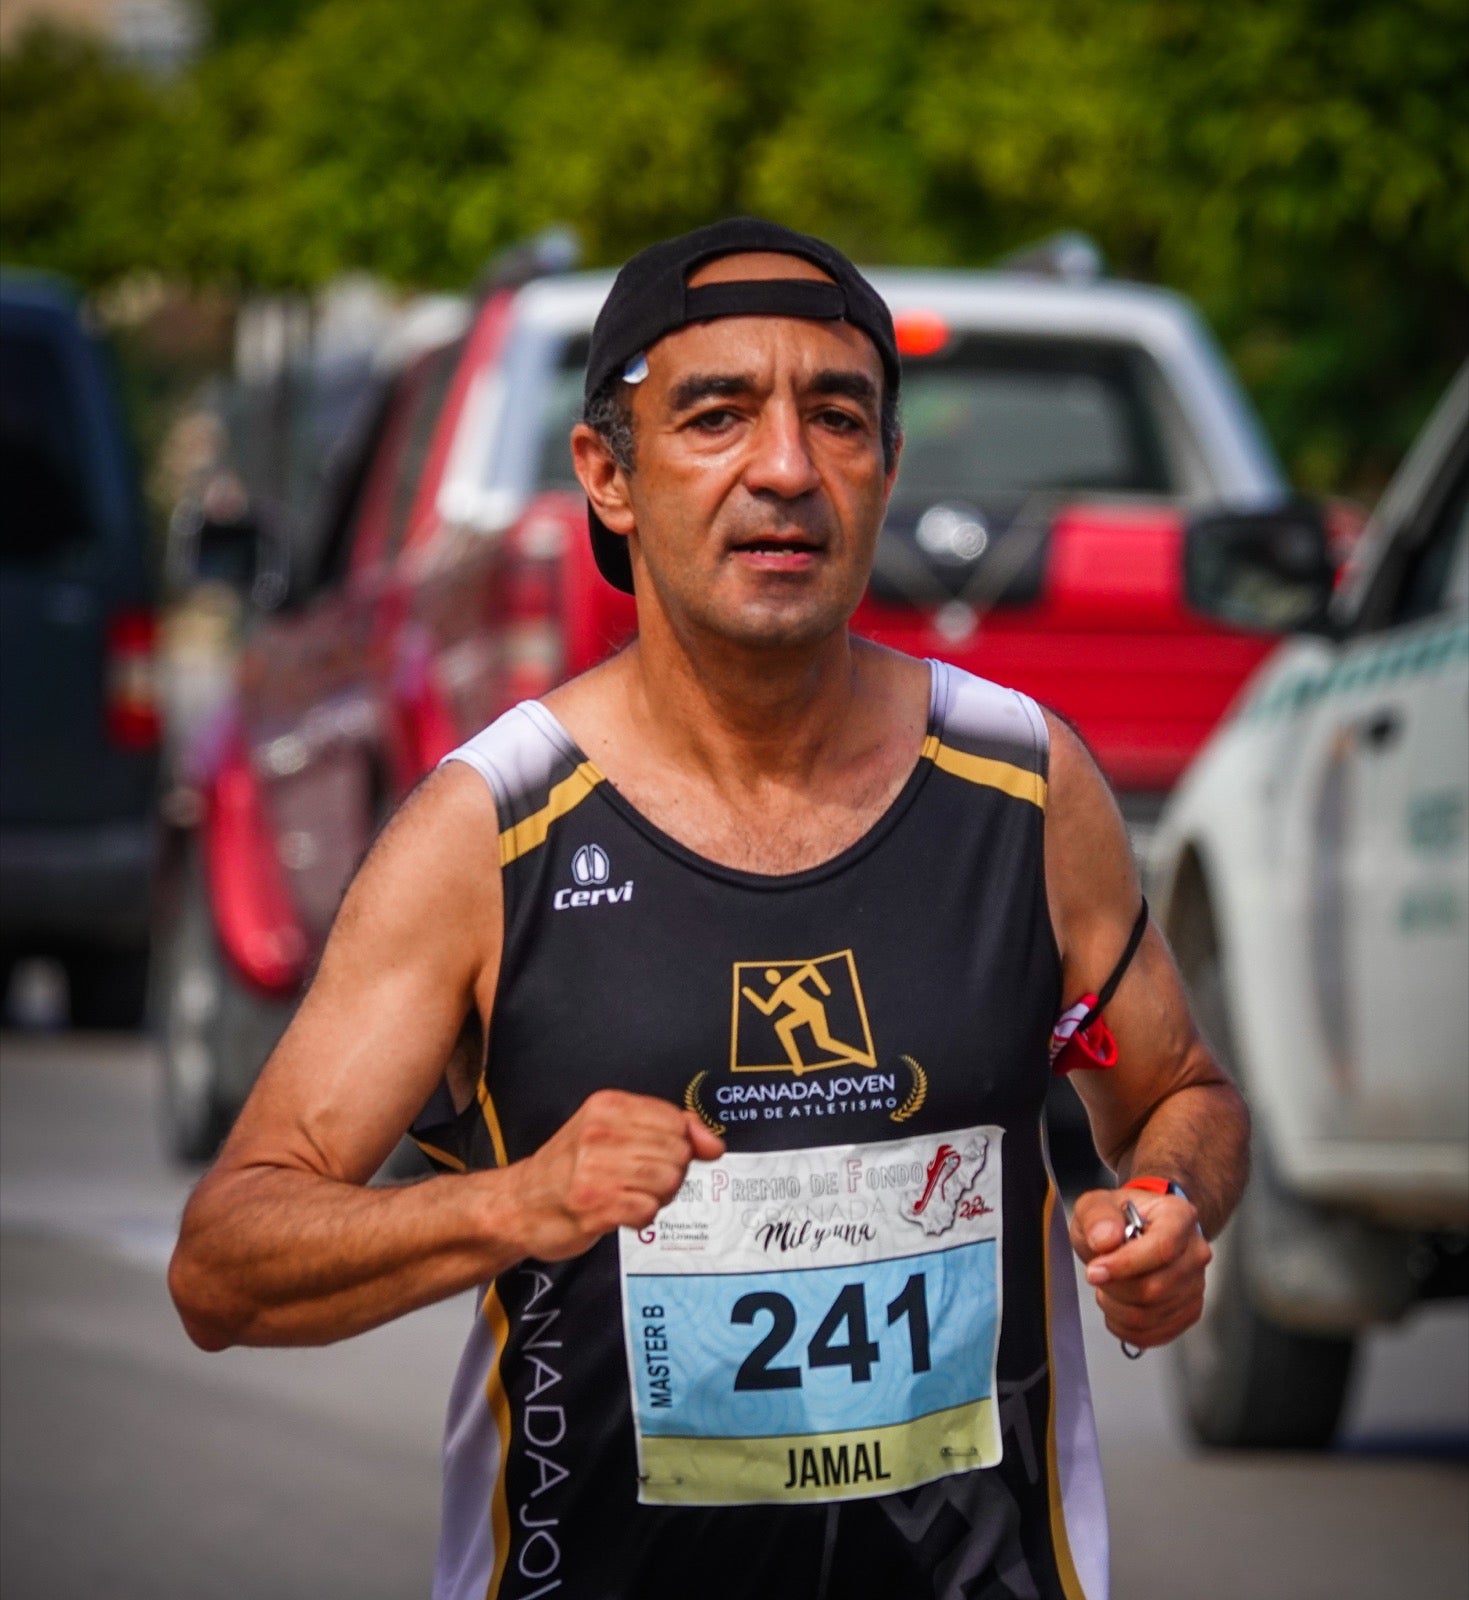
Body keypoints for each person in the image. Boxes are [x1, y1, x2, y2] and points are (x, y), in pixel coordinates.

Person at [170, 218, 1248, 1600]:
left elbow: (1175, 1087)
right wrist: (517, 1204)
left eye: (837, 417)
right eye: (717, 416)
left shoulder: (1022, 787)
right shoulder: (491, 831)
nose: (785, 469)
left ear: (886, 468)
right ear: (607, 477)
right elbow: (226, 1265)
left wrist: (1167, 1199)